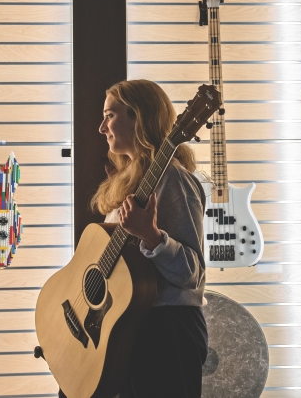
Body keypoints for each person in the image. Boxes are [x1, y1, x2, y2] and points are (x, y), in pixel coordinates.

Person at [59, 79, 208, 398]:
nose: (101, 127)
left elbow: (192, 275)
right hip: (129, 329)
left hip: (167, 335)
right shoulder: (130, 183)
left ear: (138, 117)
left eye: (109, 115)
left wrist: (152, 237)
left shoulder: (174, 180)